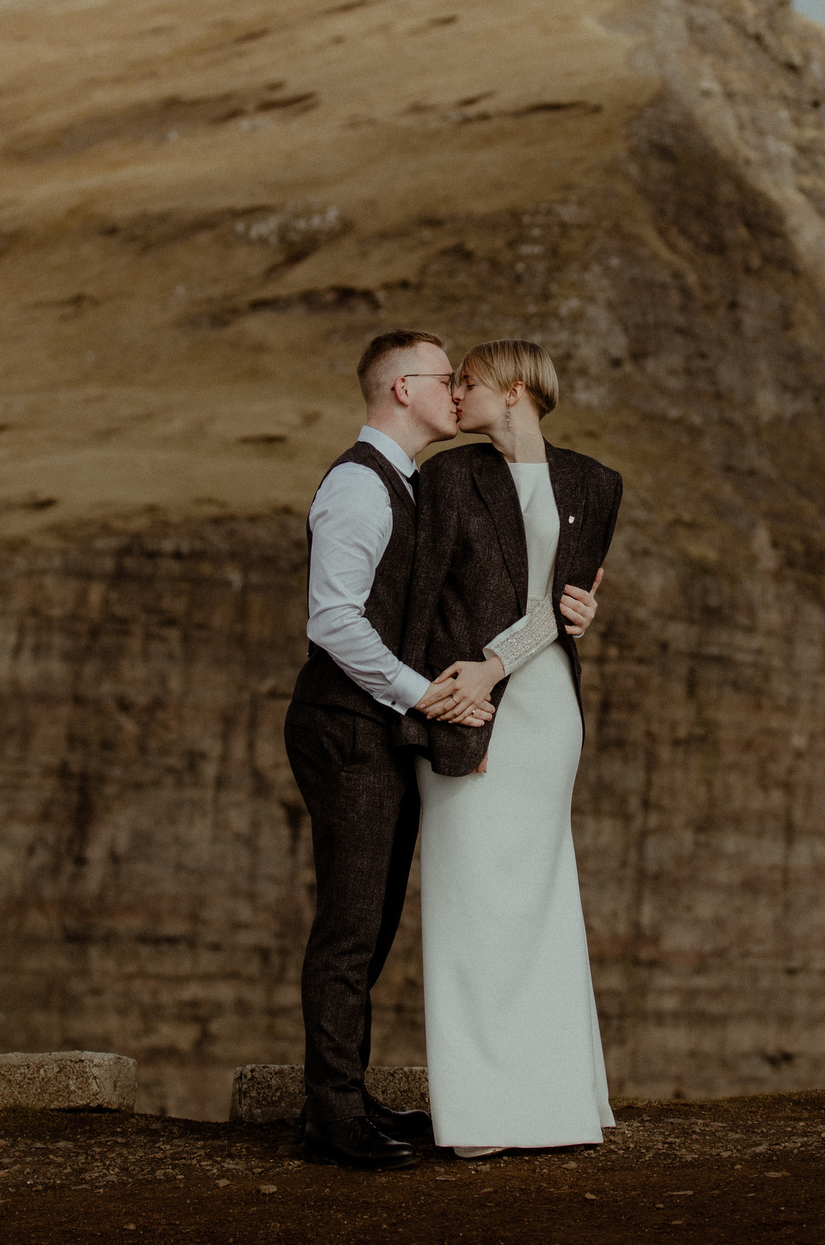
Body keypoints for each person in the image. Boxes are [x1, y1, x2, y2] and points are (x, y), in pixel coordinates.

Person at [398, 338, 620, 1157]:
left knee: (542, 901)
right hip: (461, 705)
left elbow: (563, 610)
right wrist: (438, 711)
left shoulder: (597, 484)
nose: (454, 394)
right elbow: (418, 608)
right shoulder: (449, 478)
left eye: (469, 382)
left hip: (543, 708)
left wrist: (502, 665)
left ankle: (557, 1104)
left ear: (516, 389)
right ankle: (483, 1115)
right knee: (467, 906)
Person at [285, 329, 494, 1171]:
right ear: (403, 388)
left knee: (369, 926)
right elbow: (332, 618)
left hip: (376, 729)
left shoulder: (406, 485)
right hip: (346, 728)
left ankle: (345, 1095)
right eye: (448, 378)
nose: (458, 391)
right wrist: (421, 693)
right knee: (349, 926)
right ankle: (332, 1118)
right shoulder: (358, 487)